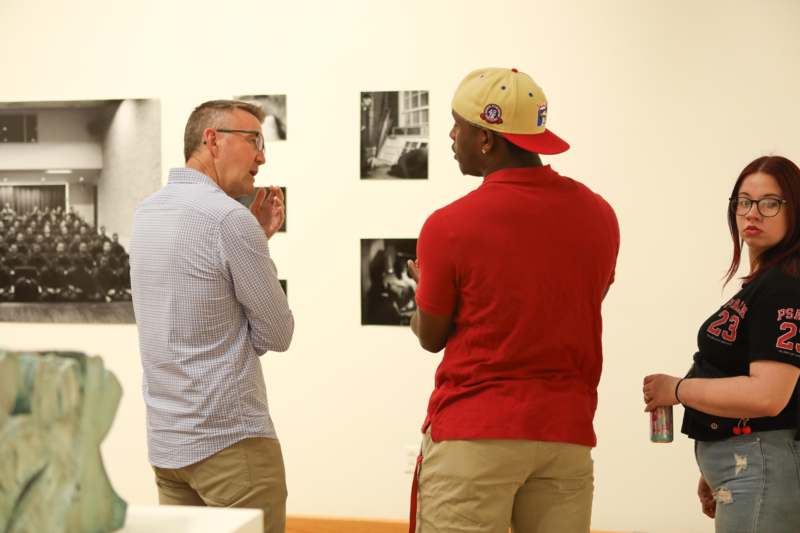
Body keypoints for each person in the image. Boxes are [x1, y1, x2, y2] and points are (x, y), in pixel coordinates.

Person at [407, 67, 619, 533]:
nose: (451, 134)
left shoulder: (449, 224)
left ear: (486, 139)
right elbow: (585, 298)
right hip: (566, 434)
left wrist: (421, 294)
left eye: (457, 124)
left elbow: (431, 336)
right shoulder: (600, 214)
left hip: (475, 435)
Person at [129, 99, 294, 533]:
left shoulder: (145, 216)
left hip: (167, 444)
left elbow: (186, 318)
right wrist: (256, 242)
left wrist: (255, 242)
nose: (262, 156)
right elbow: (278, 333)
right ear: (211, 139)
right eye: (254, 140)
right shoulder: (228, 220)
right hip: (231, 444)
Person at [643, 155, 800, 533]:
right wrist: (718, 460)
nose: (753, 214)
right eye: (743, 202)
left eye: (770, 203)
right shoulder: (766, 283)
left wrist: (677, 390)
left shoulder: (784, 287)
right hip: (749, 466)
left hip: (761, 466)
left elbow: (768, 396)